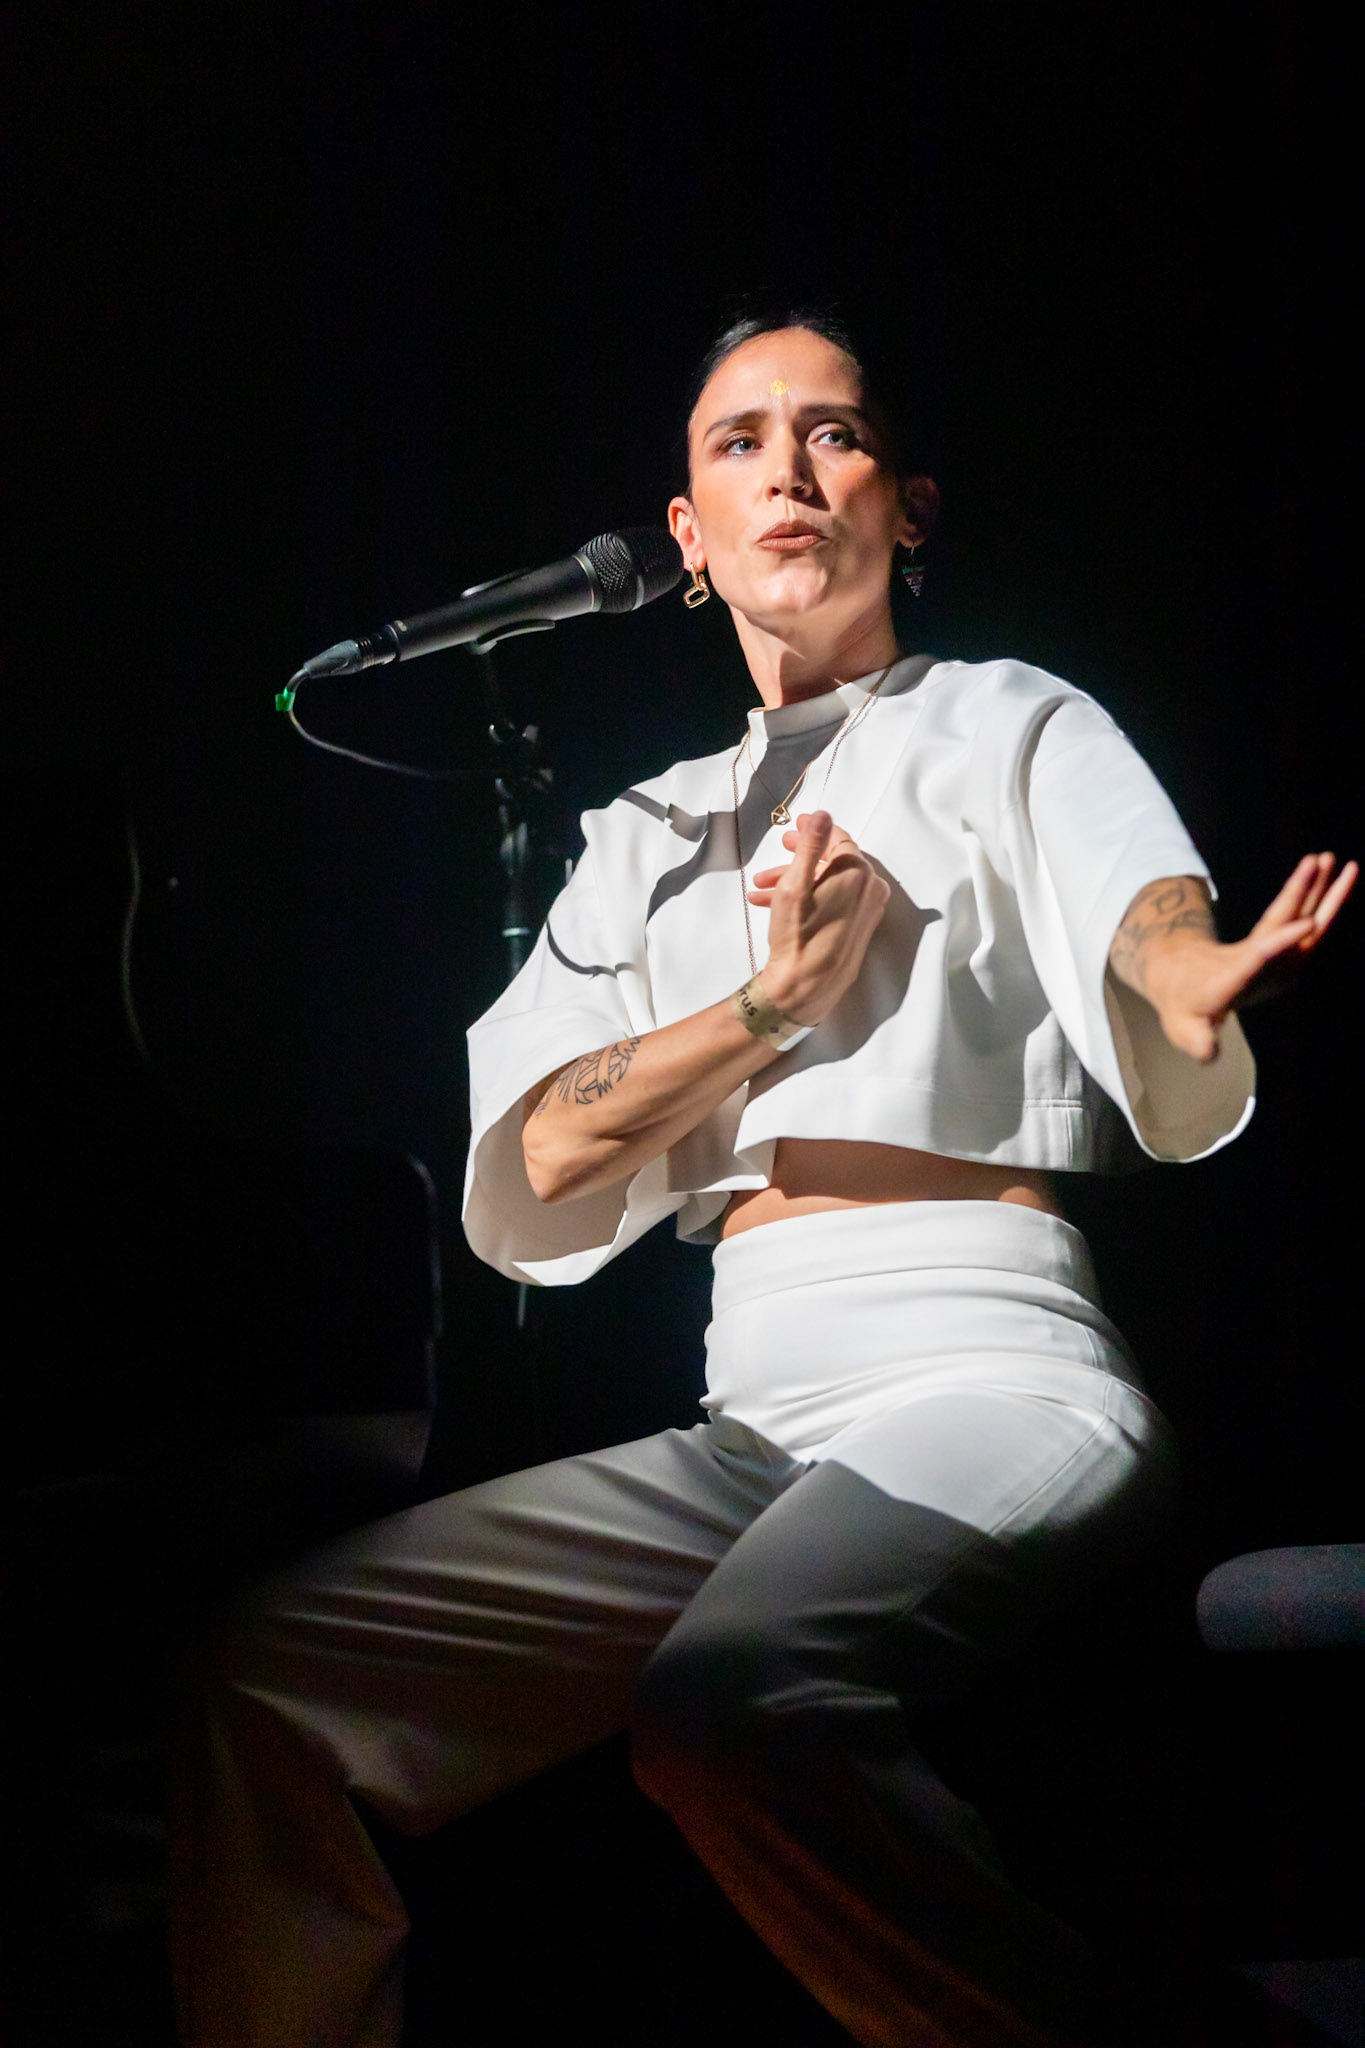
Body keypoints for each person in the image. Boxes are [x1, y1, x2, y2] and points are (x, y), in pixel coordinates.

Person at [168, 311, 1355, 2048]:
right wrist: (764, 1007)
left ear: (909, 505)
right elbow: (549, 1148)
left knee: (733, 1706)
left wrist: (1189, 972)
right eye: (739, 442)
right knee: (262, 1685)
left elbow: (1142, 916)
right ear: (682, 535)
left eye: (835, 436)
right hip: (751, 1420)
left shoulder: (1001, 716)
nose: (788, 472)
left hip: (989, 1359)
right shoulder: (642, 834)